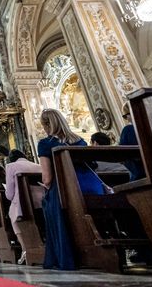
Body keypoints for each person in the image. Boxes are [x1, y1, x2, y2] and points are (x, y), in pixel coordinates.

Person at [38, 108, 104, 270]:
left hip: (66, 190)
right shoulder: (81, 141)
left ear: (46, 125)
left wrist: (45, 186)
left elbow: (47, 179)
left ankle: (66, 253)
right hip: (92, 188)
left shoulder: (45, 143)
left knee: (48, 202)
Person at [4, 149, 43, 264]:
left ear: (10, 159)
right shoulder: (38, 165)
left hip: (23, 205)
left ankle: (25, 249)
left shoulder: (11, 167)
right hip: (42, 203)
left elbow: (10, 194)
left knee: (12, 214)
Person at [118, 102, 145, 181]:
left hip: (139, 173)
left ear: (132, 113)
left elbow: (121, 153)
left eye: (125, 116)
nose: (126, 119)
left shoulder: (128, 130)